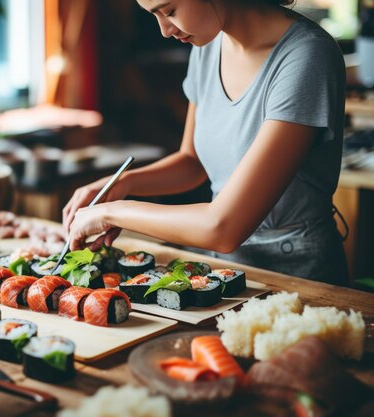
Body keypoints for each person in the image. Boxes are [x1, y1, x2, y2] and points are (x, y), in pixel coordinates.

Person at [63, 0, 349, 286]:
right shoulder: (210, 44)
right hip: (226, 267)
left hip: (300, 274)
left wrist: (112, 213)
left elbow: (223, 227)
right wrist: (122, 184)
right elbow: (192, 161)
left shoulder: (307, 55)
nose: (164, 30)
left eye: (169, 11)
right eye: (154, 15)